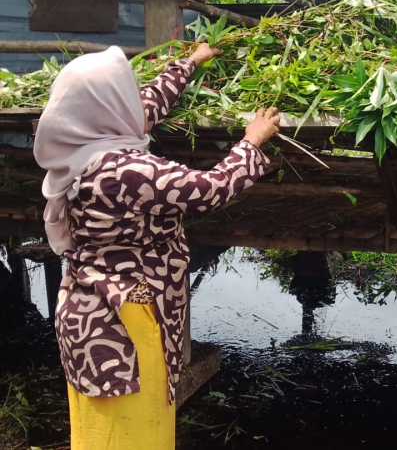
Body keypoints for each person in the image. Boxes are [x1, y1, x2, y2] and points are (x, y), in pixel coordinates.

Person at [33, 43, 281, 449]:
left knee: (98, 425)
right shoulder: (127, 171)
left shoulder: (79, 141)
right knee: (134, 427)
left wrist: (189, 63)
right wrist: (251, 143)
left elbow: (142, 108)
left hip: (84, 310)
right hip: (124, 318)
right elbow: (209, 189)